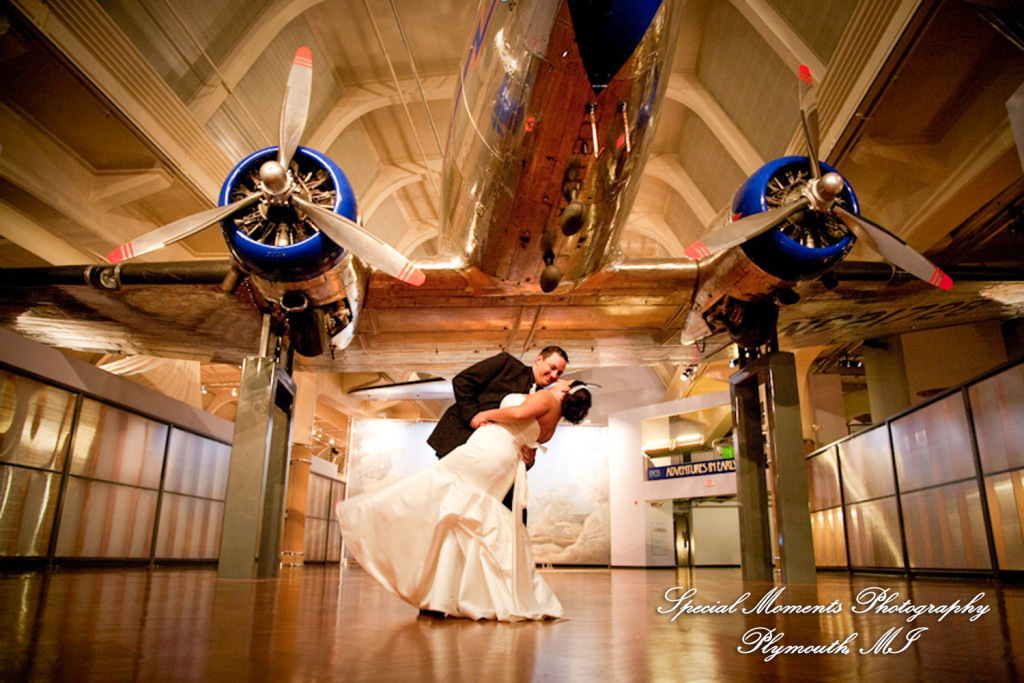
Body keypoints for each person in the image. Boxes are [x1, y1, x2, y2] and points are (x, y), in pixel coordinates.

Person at [336, 379, 592, 621]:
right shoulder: (553, 425)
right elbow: (529, 446)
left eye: (561, 376)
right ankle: (445, 595)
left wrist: (486, 414)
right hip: (503, 463)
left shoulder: (547, 398)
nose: (557, 377)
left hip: (487, 451)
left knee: (434, 486)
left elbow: (517, 414)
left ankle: (364, 513)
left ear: (567, 387)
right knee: (462, 520)